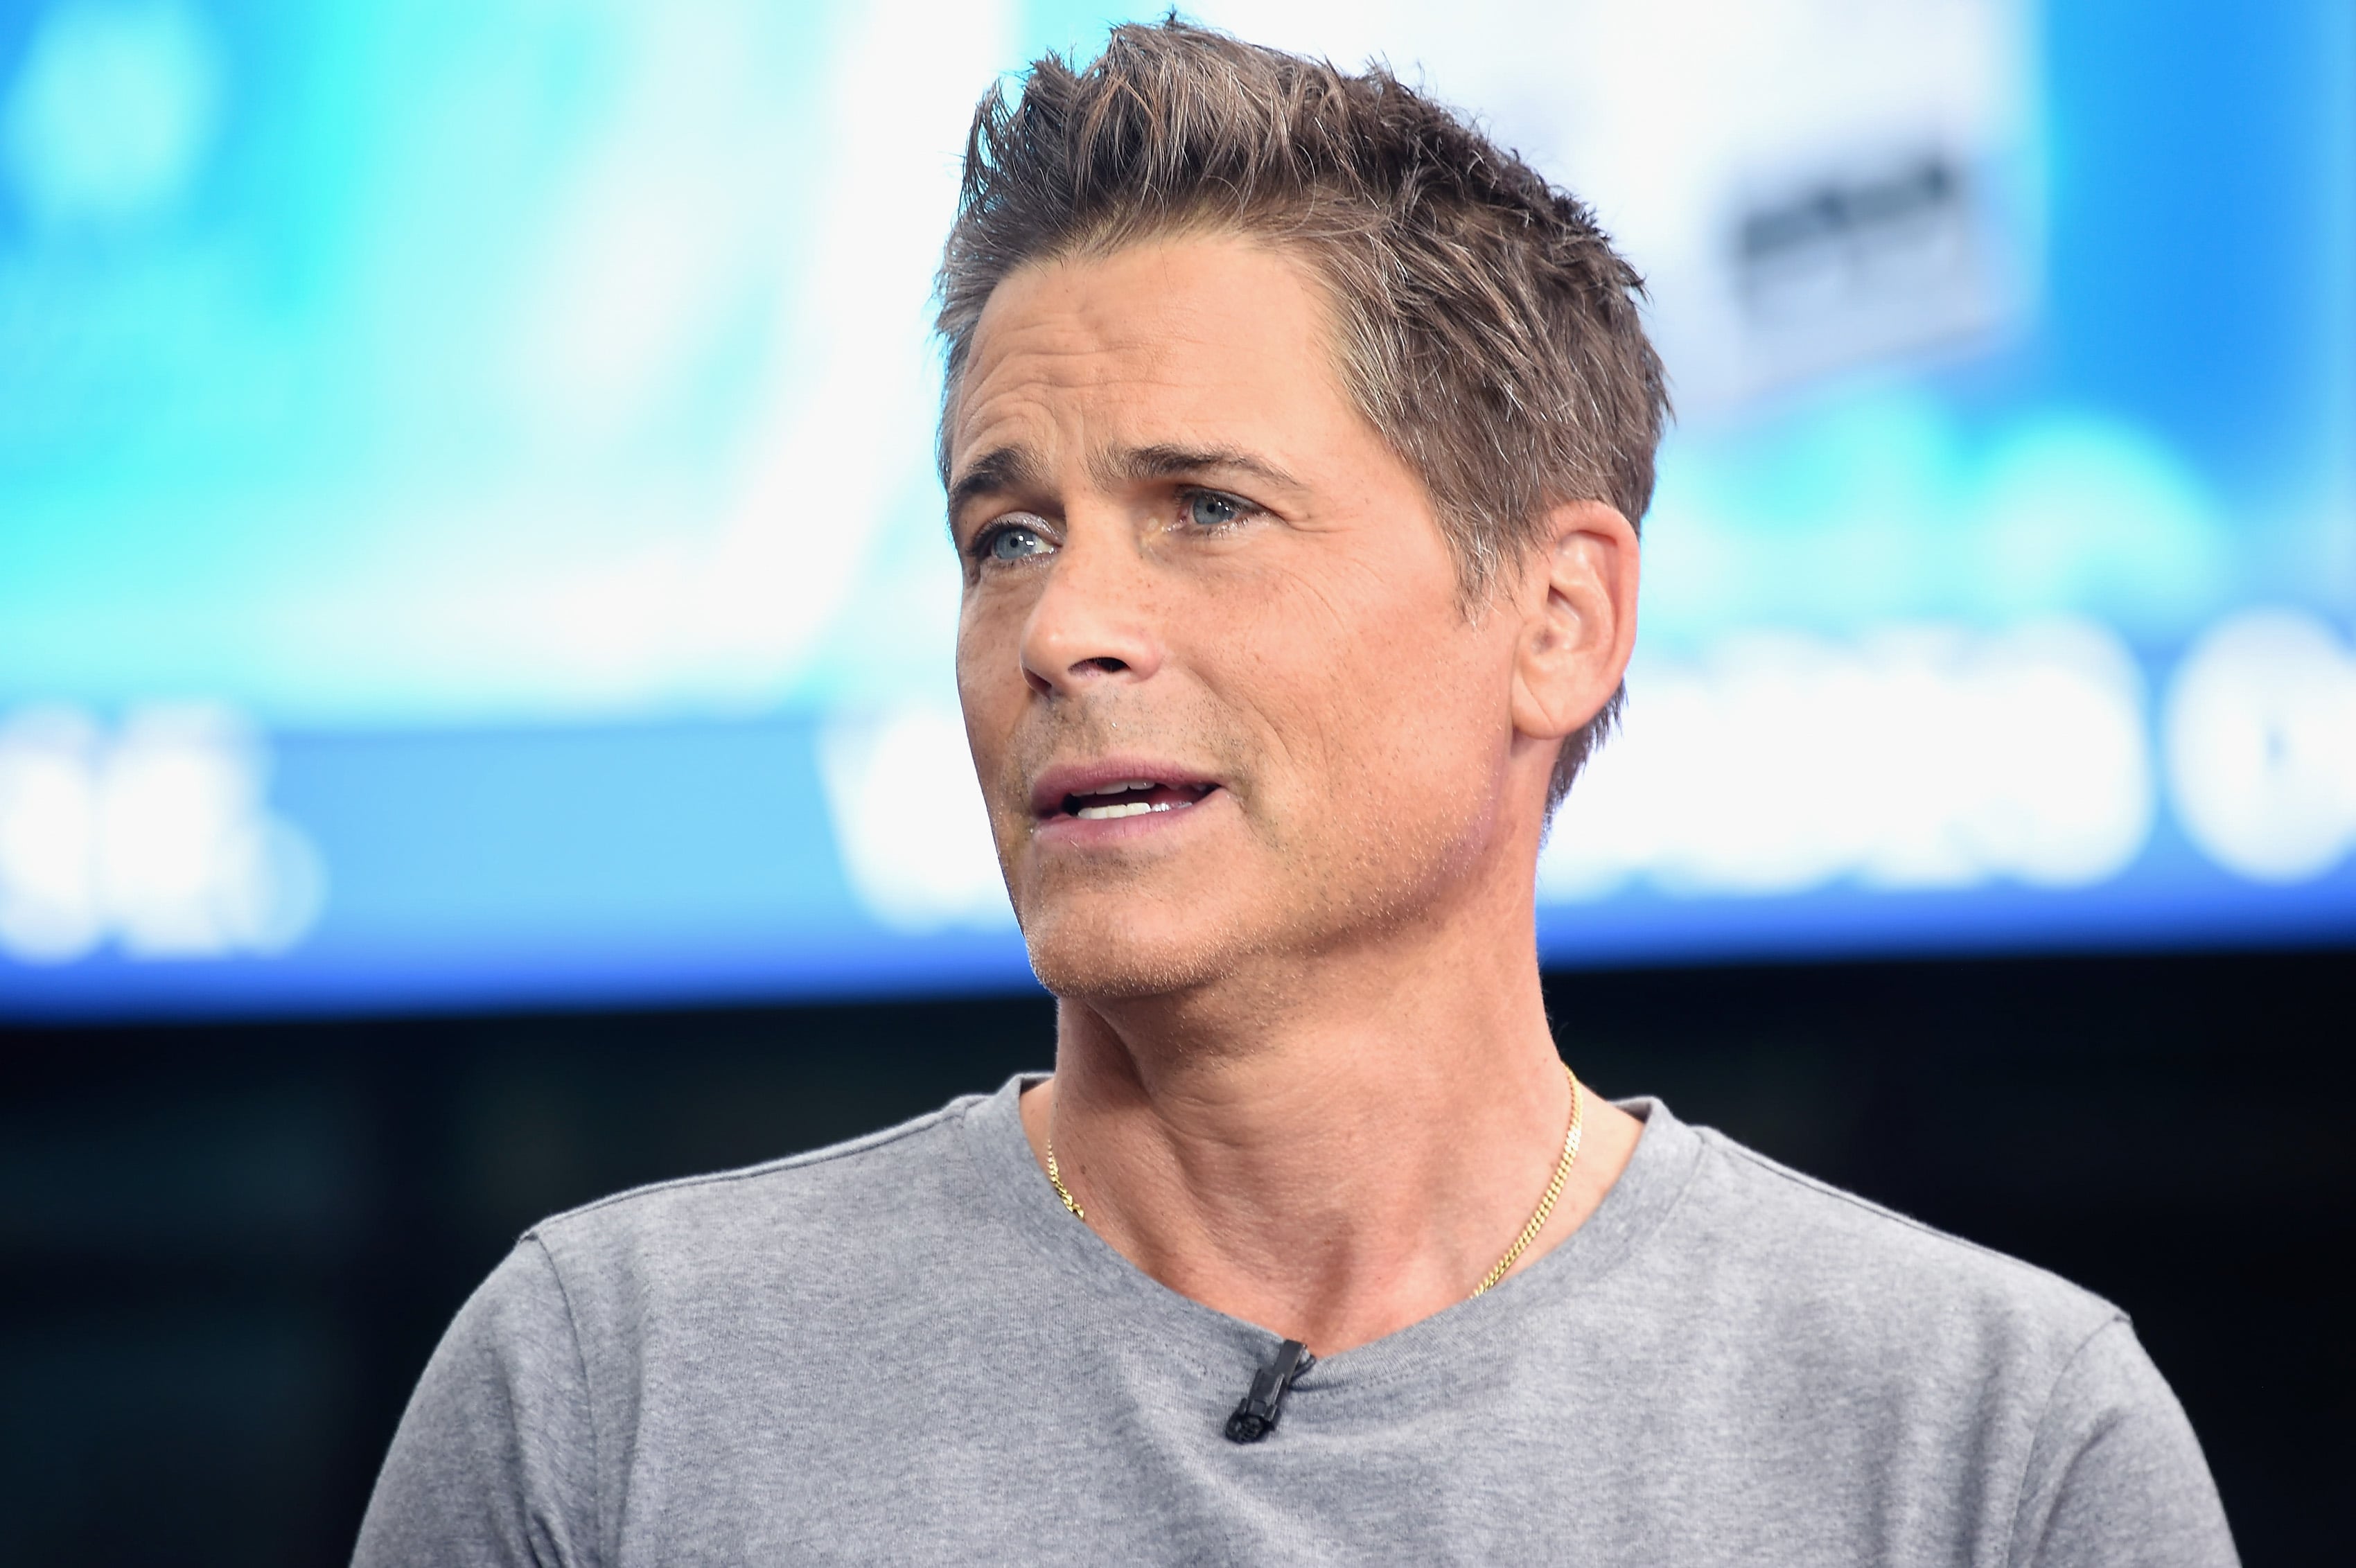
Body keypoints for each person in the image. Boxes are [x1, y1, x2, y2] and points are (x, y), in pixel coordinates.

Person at [353, 21, 2235, 1566]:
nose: (1062, 631)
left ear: (1561, 620)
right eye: (1009, 536)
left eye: (1206, 510)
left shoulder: (1992, 1446)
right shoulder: (612, 1389)